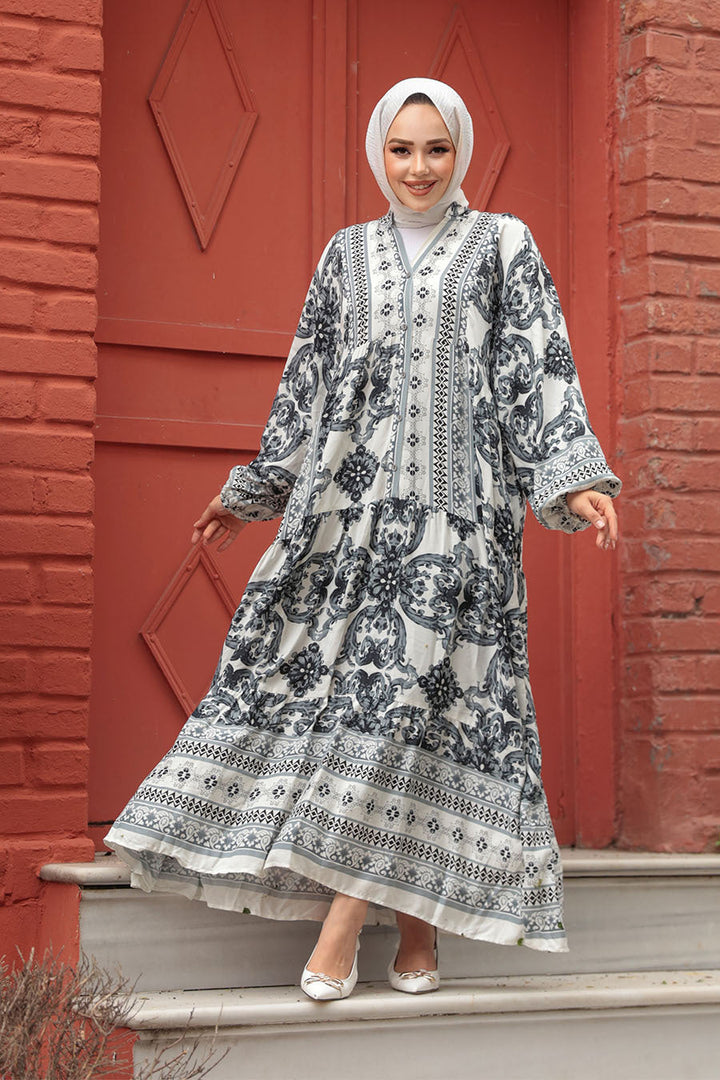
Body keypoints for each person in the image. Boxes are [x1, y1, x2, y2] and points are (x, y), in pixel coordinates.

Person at [105, 77, 621, 1002]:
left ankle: (343, 927)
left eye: (436, 150)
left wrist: (572, 477)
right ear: (378, 152)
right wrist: (257, 488)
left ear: (459, 151)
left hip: (463, 526)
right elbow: (307, 386)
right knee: (393, 713)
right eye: (401, 150)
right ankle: (415, 932)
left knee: (417, 703)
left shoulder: (504, 247)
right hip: (348, 526)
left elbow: (538, 363)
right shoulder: (346, 258)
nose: (418, 169)